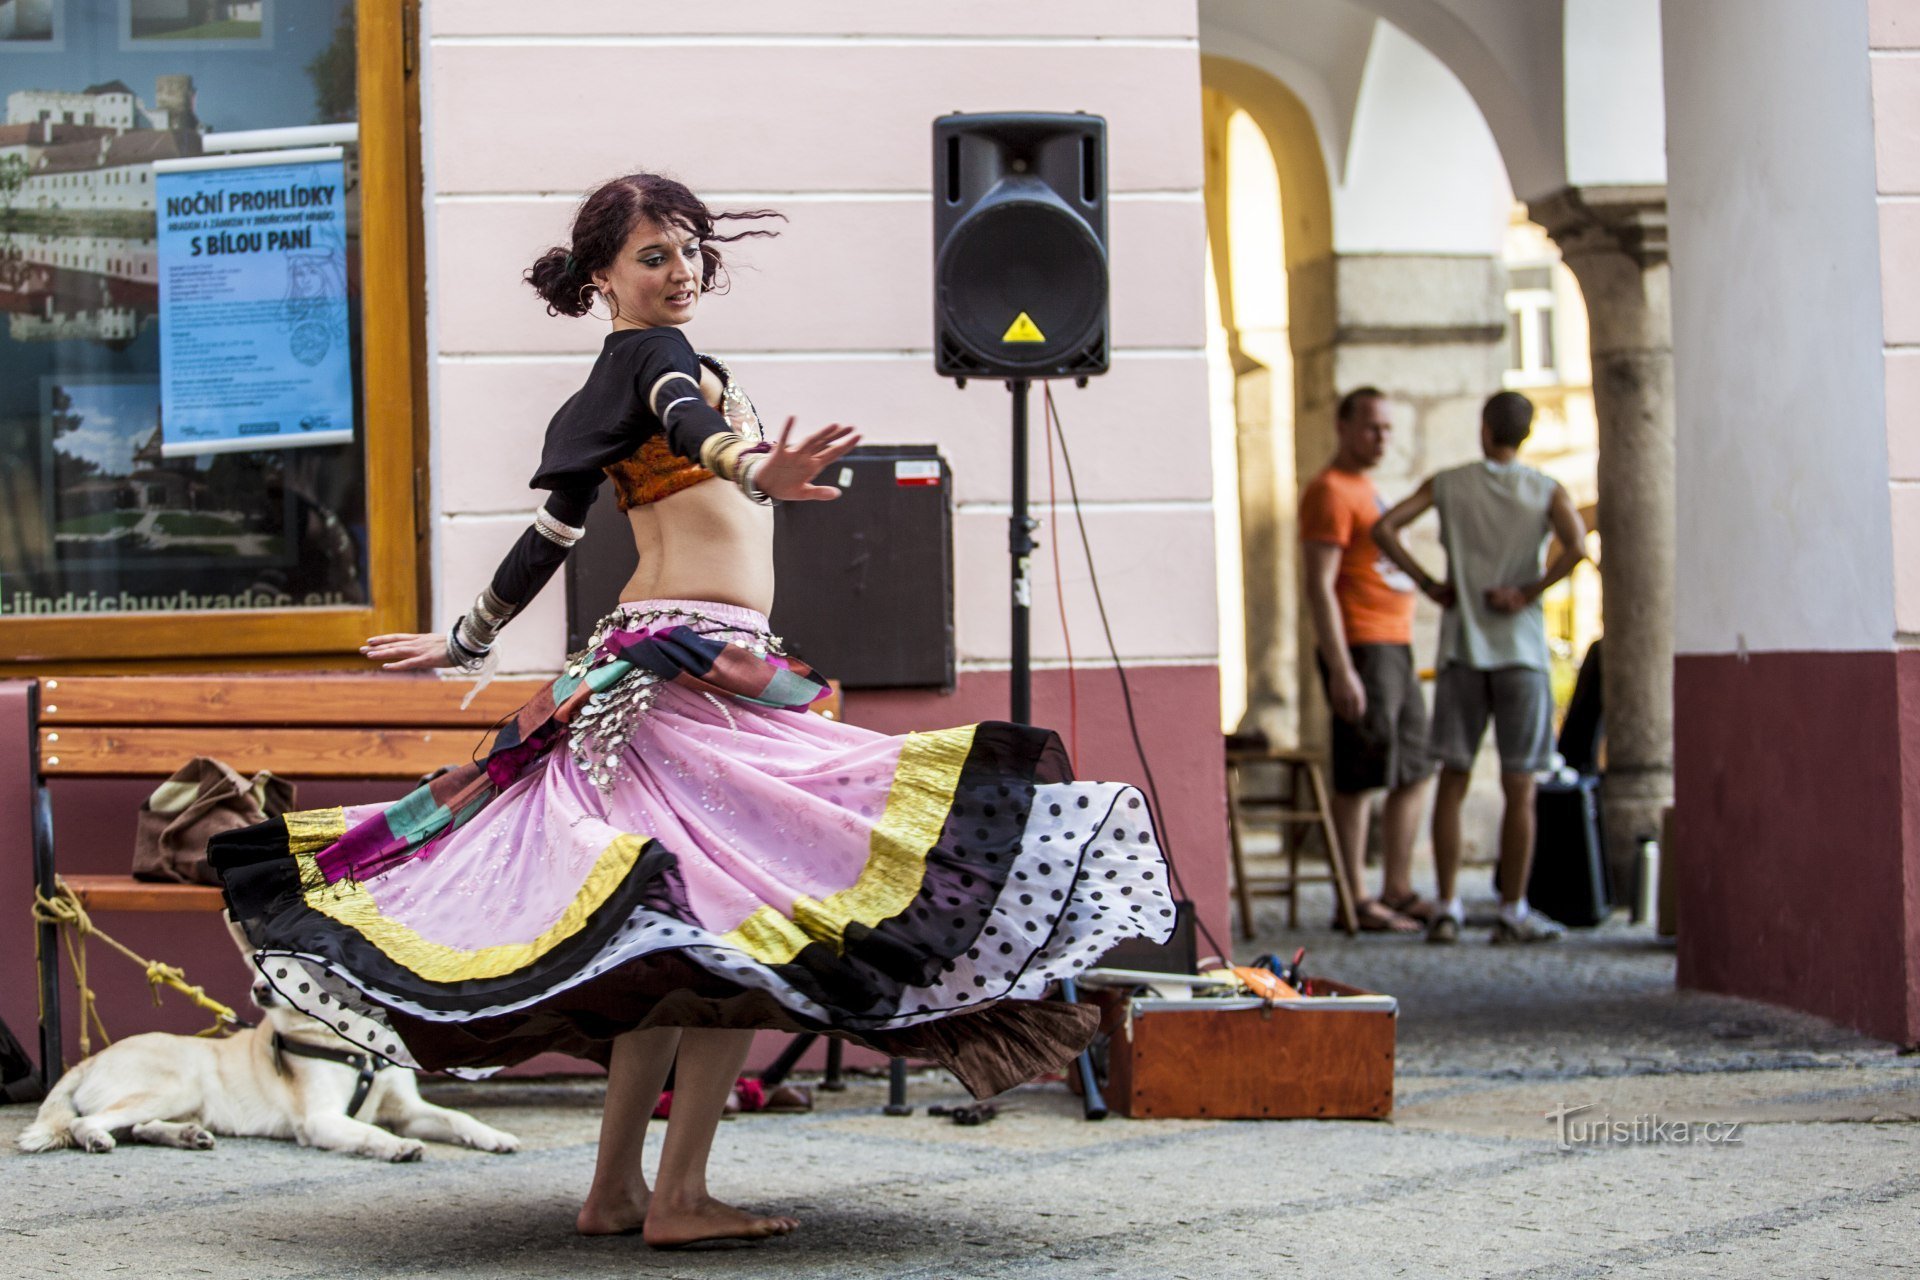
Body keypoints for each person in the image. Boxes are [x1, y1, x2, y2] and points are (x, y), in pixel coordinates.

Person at [211, 173, 1173, 1248]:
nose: (679, 273)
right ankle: (677, 1197)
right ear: (603, 278)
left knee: (672, 943)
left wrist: (467, 639)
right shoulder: (654, 362)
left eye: (688, 252)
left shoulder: (617, 376)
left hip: (663, 670)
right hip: (684, 680)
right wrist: (758, 461)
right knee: (727, 938)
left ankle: (620, 1188)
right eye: (653, 257)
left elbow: (552, 539)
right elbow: (693, 425)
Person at [1370, 390, 1586, 945]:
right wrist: (1528, 591)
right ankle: (1512, 909)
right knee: (1521, 787)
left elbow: (1385, 528)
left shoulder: (1450, 484)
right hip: (1521, 651)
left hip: (1463, 647)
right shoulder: (1544, 490)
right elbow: (1578, 545)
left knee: (1453, 779)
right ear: (1526, 435)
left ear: (1484, 429)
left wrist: (1429, 584)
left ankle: (1446, 905)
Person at [1298, 387, 1436, 933]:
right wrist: (1341, 668)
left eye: (1387, 429)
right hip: (1360, 646)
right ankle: (1353, 898)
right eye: (1371, 428)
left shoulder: (1367, 489)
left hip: (1395, 644)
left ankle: (1396, 889)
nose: (1381, 438)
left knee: (1415, 766)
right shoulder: (1329, 491)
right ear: (1343, 426)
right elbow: (1319, 585)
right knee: (1358, 775)